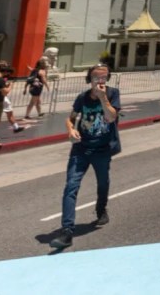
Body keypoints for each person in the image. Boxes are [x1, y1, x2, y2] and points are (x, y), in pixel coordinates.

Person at [50, 63, 121, 249]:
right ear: (90, 79)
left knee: (103, 182)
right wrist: (70, 129)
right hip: (81, 149)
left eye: (103, 77)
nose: (100, 81)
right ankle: (67, 230)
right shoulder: (82, 98)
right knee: (71, 186)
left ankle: (101, 208)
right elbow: (70, 118)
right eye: (96, 77)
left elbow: (111, 117)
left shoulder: (112, 94)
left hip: (102, 149)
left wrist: (103, 97)